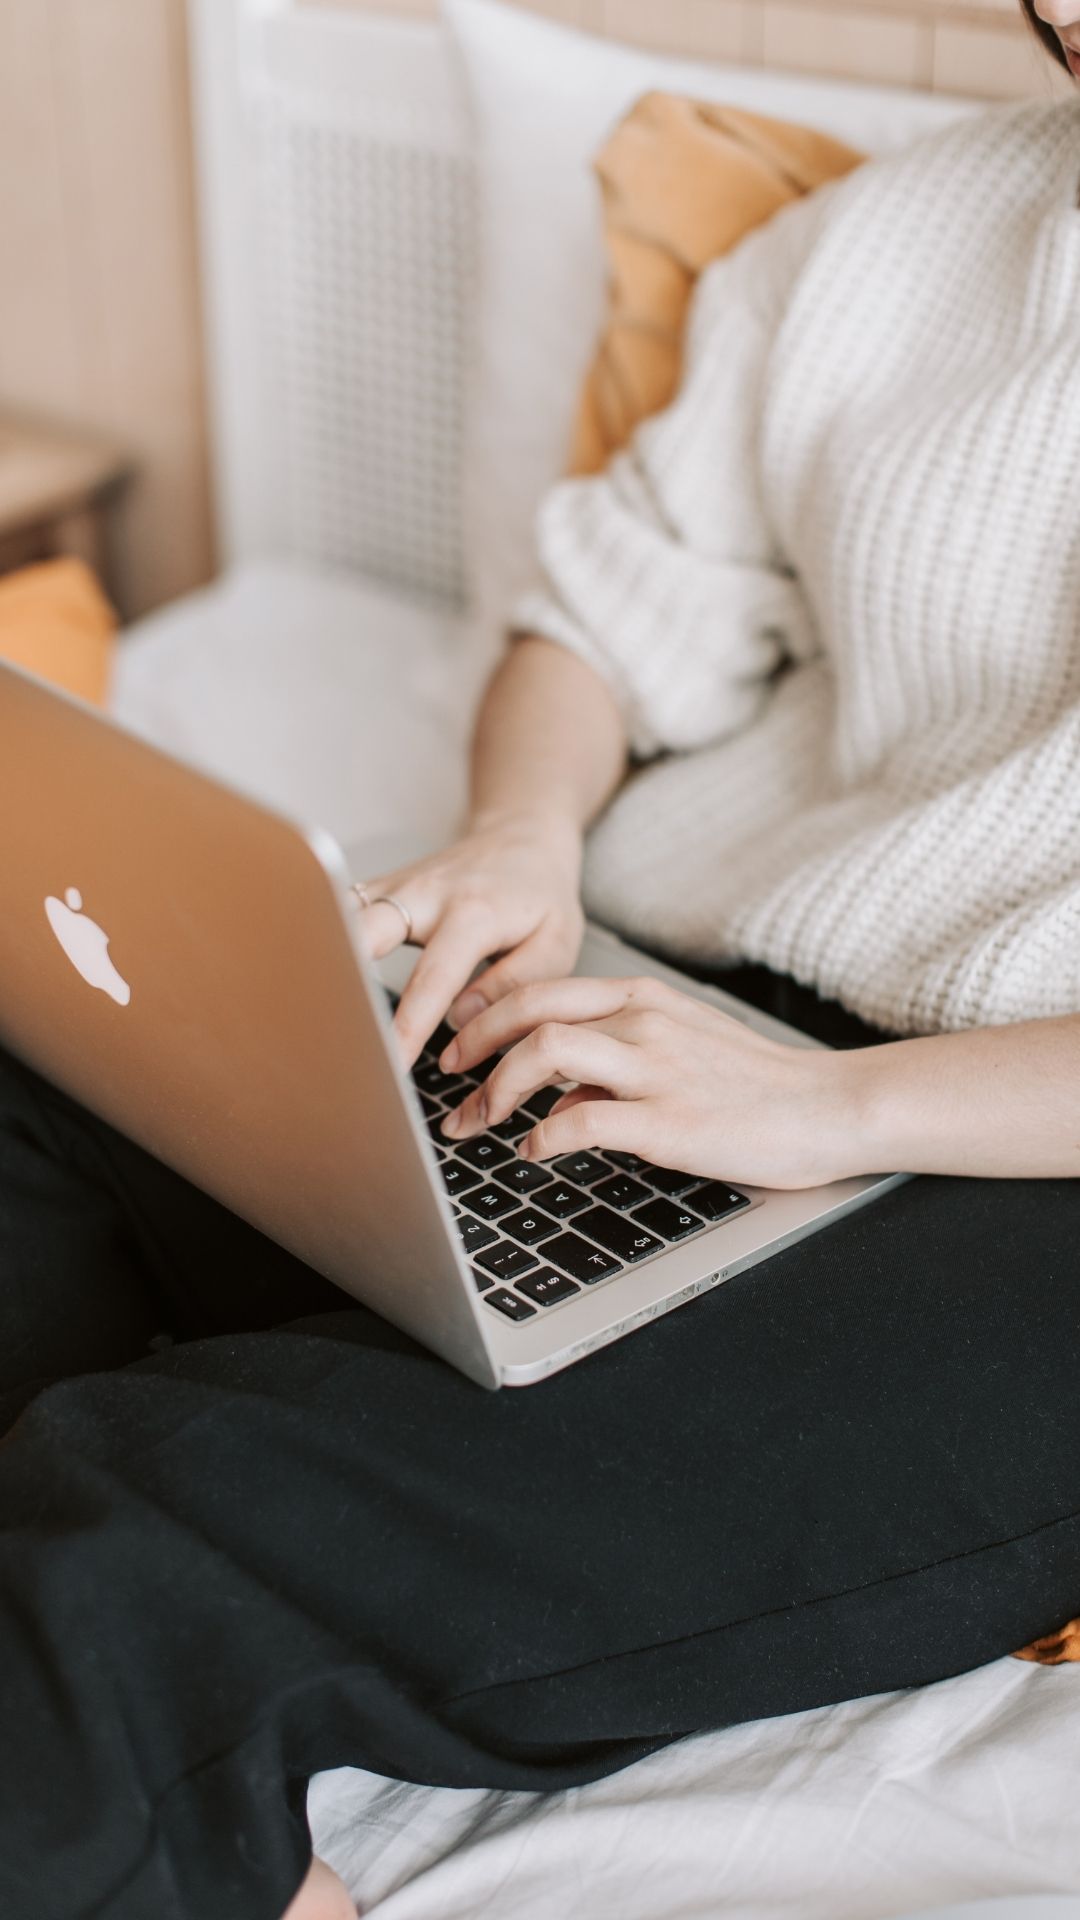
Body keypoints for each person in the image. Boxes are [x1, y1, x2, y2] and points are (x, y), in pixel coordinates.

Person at [2, 8, 1078, 1918]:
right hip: (696, 1005)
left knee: (145, 1519)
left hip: (1026, 1192)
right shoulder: (898, 236)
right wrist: (526, 839)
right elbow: (604, 612)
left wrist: (836, 1107)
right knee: (38, 1073)